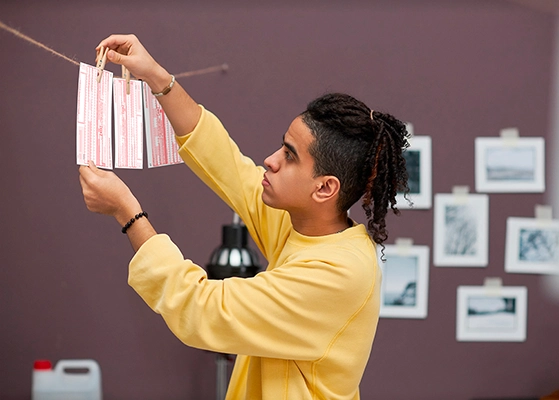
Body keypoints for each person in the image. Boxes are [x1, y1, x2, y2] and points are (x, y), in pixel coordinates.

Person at [79, 34, 410, 400]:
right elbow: (226, 163)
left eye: (289, 155)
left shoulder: (339, 273)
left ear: (324, 188)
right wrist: (157, 77)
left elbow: (201, 309)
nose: (270, 160)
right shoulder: (306, 224)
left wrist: (127, 211)